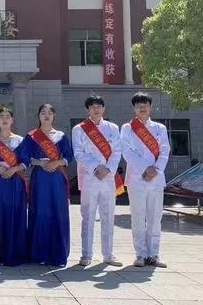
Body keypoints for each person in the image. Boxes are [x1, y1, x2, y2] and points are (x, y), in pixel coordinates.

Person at [121, 92, 171, 268]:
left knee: (155, 217)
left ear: (150, 107)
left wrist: (155, 169)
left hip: (156, 179)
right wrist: (145, 168)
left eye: (145, 105)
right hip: (136, 178)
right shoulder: (127, 128)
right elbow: (126, 151)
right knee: (138, 217)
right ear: (134, 108)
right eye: (138, 105)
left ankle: (154, 254)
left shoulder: (160, 128)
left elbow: (165, 150)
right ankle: (141, 254)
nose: (142, 108)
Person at [72, 95, 122, 267]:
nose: (96, 109)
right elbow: (78, 153)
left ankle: (108, 254)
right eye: (92, 107)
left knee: (108, 216)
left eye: (99, 106)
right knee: (88, 217)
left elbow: (117, 151)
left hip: (108, 178)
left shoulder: (113, 128)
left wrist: (108, 169)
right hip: (89, 178)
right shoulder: (79, 129)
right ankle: (86, 254)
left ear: (104, 109)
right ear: (88, 109)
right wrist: (96, 167)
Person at [20, 104, 73, 266]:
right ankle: (39, 254)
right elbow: (24, 156)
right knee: (40, 211)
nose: (46, 115)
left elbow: (69, 156)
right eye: (43, 113)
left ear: (54, 116)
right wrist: (40, 163)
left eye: (50, 112)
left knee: (58, 211)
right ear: (39, 116)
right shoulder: (32, 136)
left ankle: (58, 254)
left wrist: (57, 162)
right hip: (40, 176)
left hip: (57, 177)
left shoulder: (61, 136)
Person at [0, 107, 28, 266]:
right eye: (1, 116)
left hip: (15, 180)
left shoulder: (20, 140)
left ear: (12, 120)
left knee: (14, 214)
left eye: (7, 116)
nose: (4, 119)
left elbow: (26, 161)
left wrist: (14, 169)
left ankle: (15, 253)